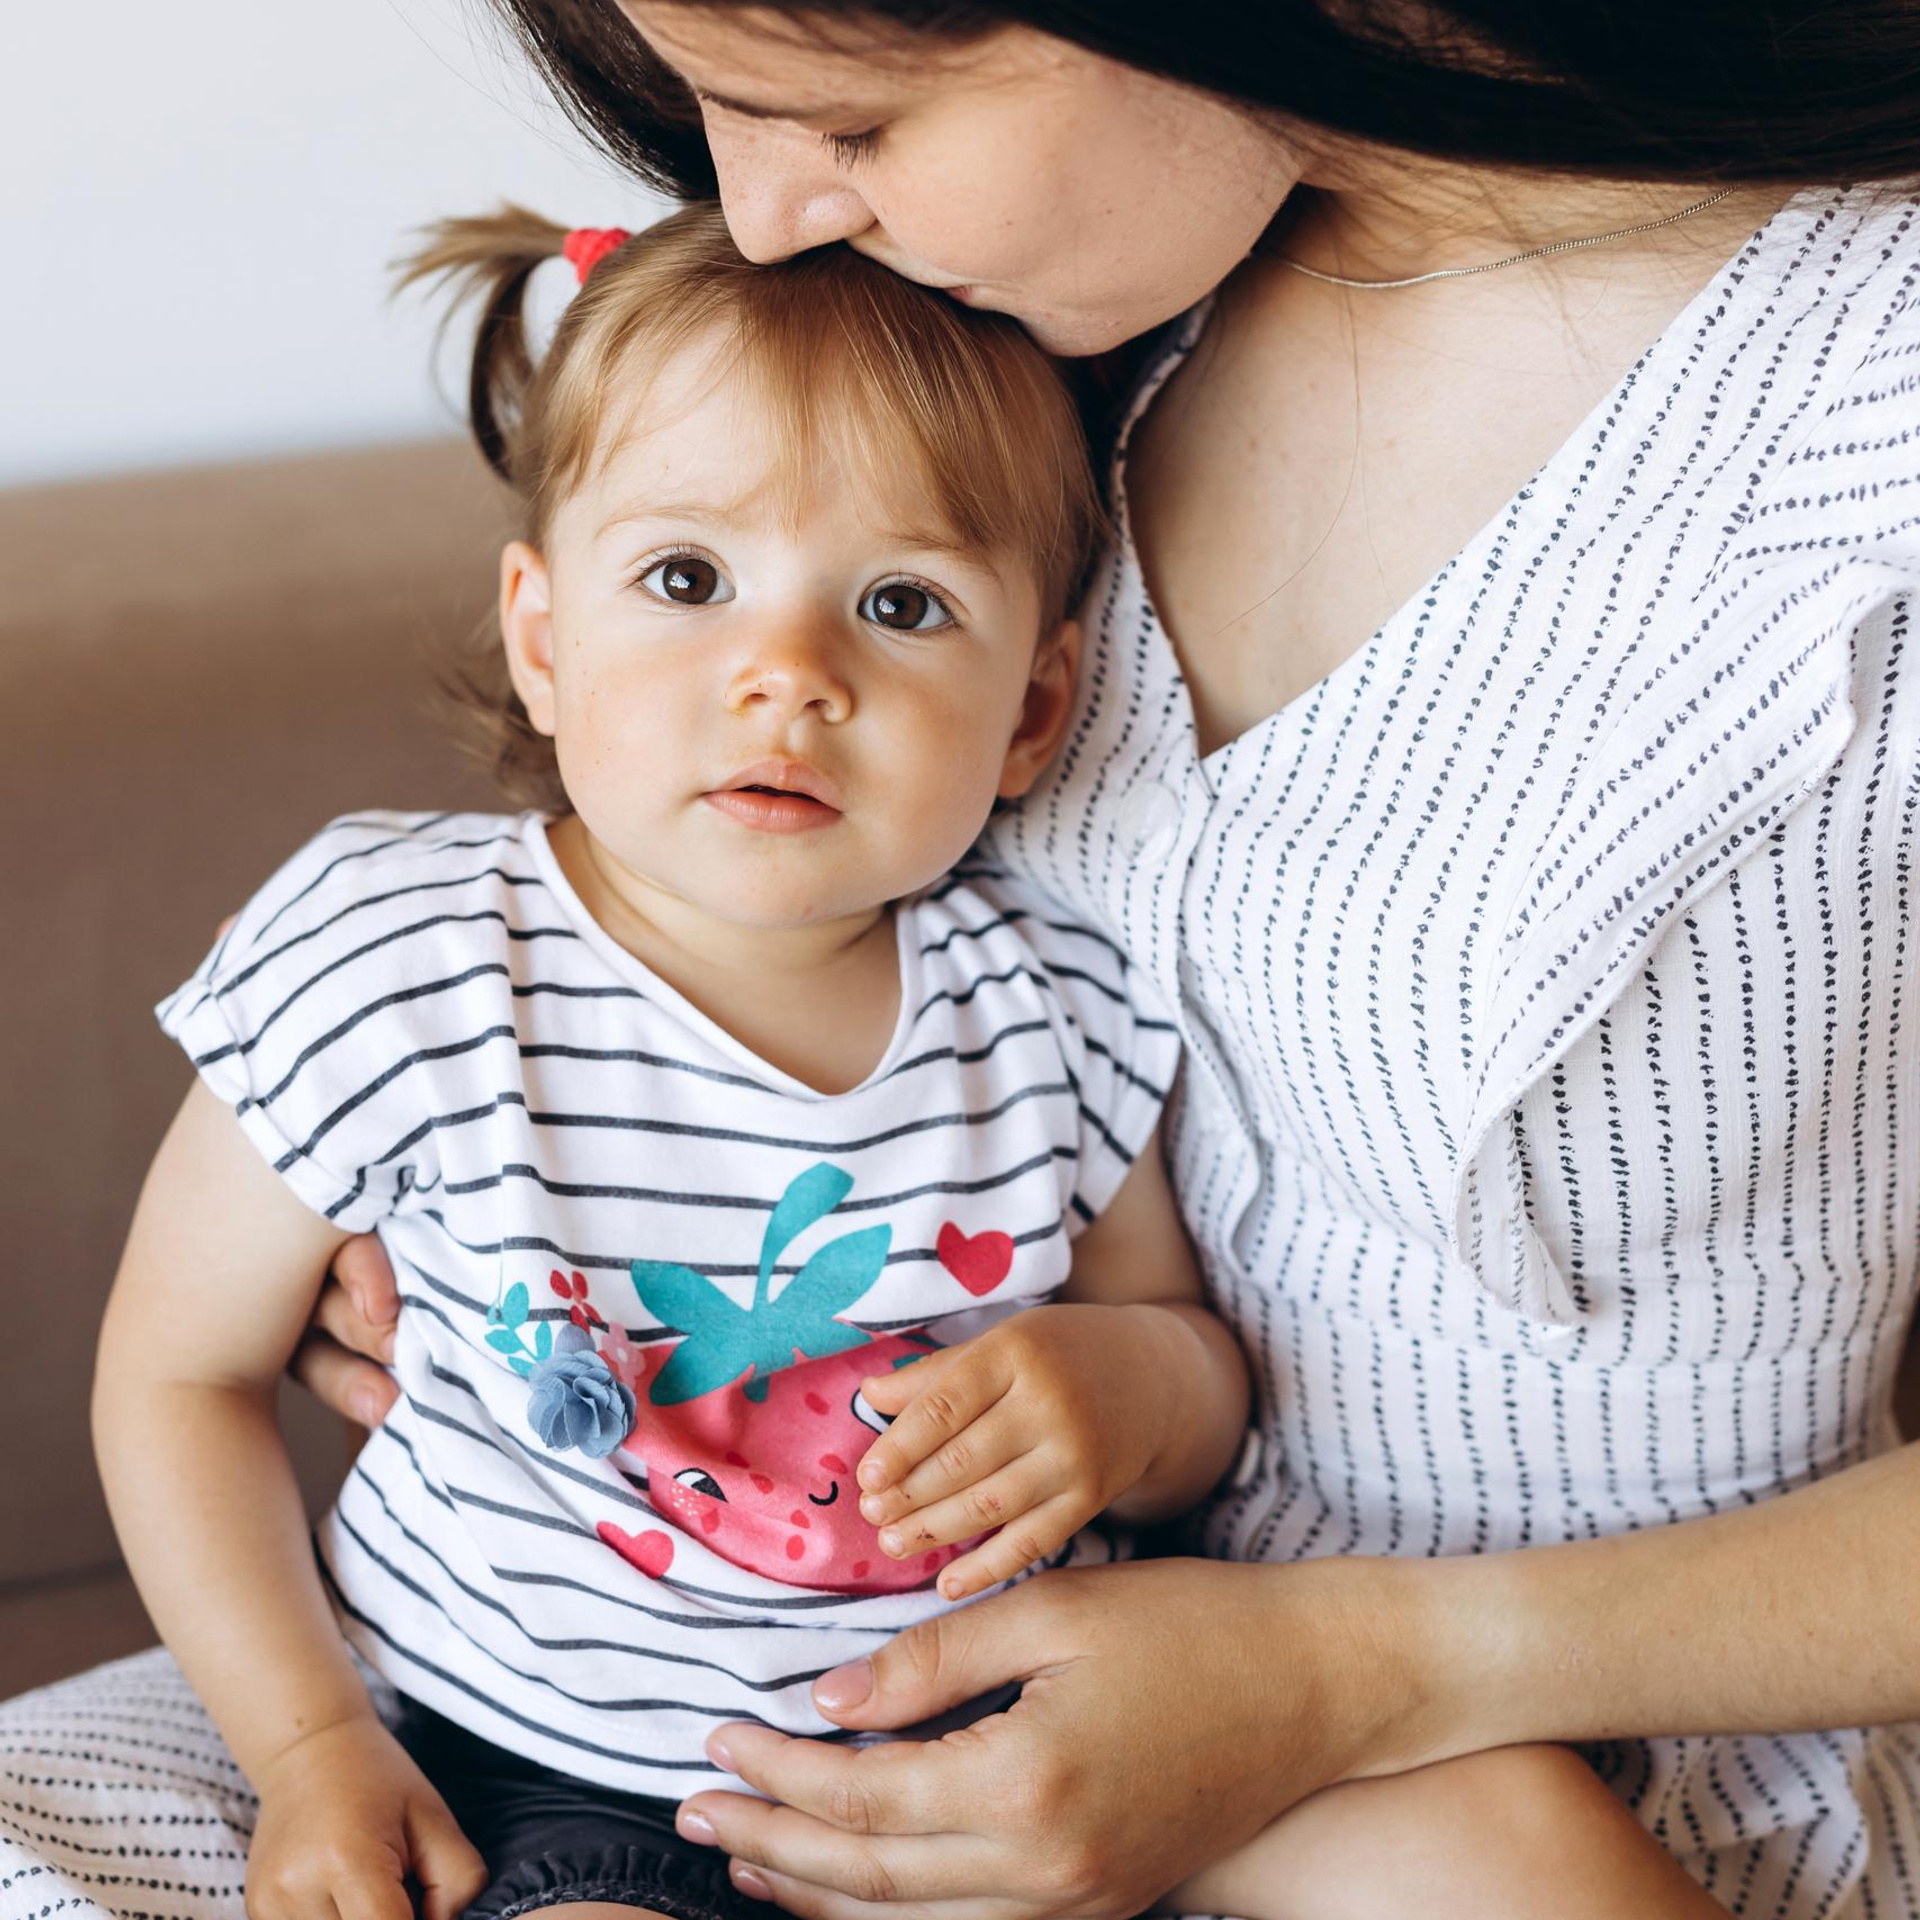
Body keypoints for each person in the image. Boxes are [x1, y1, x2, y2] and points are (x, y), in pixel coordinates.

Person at [0, 1, 1909, 1917]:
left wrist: (1189, 1482)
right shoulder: (1070, 303)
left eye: (839, 114)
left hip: (1304, 1699)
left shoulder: (1041, 1004)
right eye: (719, 114)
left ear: (1031, 706)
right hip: (616, 1752)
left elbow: (1174, 1357)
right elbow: (192, 1359)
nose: (759, 214)